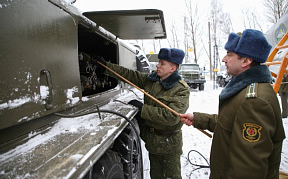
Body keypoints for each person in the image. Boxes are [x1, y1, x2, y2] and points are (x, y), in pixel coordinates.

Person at [180, 29, 286, 178]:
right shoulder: (246, 90)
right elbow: (232, 125)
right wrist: (198, 119)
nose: (224, 59)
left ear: (246, 61)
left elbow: (247, 171)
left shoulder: (254, 101)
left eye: (229, 54)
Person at [96, 48, 190, 179]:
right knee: (156, 176)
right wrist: (106, 66)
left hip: (169, 145)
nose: (157, 65)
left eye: (162, 63)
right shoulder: (153, 80)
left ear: (173, 68)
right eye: (159, 62)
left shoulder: (181, 89)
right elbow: (130, 75)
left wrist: (143, 109)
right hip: (153, 142)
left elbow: (172, 117)